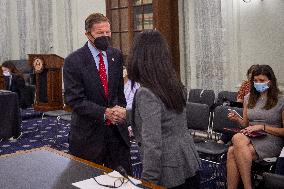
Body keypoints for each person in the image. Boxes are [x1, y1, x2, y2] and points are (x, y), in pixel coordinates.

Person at [127, 30, 200, 189]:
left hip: (168, 174)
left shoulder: (146, 93)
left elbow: (153, 145)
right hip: (187, 164)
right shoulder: (174, 84)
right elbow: (167, 117)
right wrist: (127, 114)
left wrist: (147, 183)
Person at [63, 13, 131, 173]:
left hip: (116, 135)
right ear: (88, 34)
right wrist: (104, 113)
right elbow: (74, 100)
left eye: (108, 32)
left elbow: (119, 93)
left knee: (121, 180)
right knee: (86, 180)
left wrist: (119, 111)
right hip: (88, 135)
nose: (105, 36)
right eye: (100, 33)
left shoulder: (116, 55)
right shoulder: (73, 61)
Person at [226, 64, 284, 189]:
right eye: (255, 81)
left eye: (262, 80)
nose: (258, 83)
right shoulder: (248, 98)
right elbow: (246, 124)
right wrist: (237, 118)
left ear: (271, 81)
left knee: (232, 150)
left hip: (272, 138)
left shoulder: (281, 100)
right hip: (251, 135)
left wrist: (262, 127)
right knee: (237, 141)